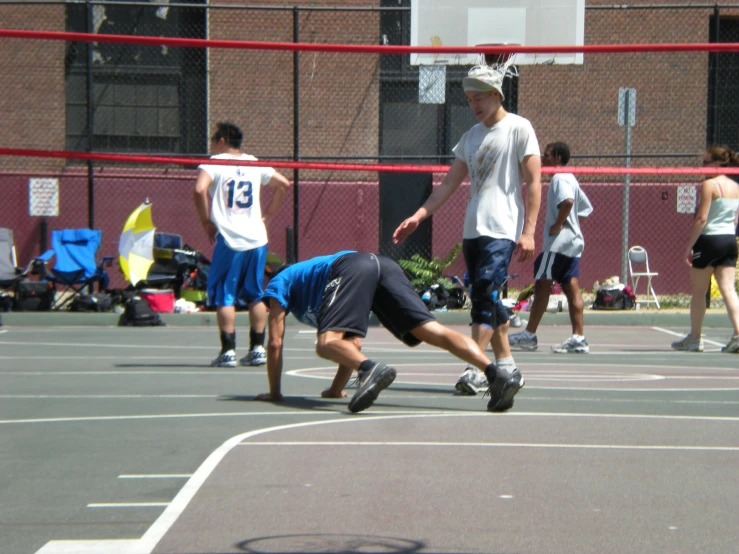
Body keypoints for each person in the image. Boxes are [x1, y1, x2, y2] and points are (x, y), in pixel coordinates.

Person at [392, 63, 542, 395]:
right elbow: (447, 185)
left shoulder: (519, 128)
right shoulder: (469, 138)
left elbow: (534, 182)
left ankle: (477, 367)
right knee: (484, 296)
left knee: (484, 294)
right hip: (473, 231)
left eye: (479, 98)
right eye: (469, 99)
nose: (474, 105)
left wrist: (529, 231)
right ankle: (507, 365)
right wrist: (419, 215)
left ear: (496, 94)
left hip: (501, 229)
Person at [254, 251, 524, 413]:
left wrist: (275, 393)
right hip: (382, 265)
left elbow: (275, 343)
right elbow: (353, 343)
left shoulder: (280, 282)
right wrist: (336, 390)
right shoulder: (313, 283)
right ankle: (494, 374)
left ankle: (370, 369)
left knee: (325, 343)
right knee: (431, 330)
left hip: (352, 265)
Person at [193, 122, 291, 367]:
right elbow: (284, 184)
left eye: (214, 139)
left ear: (222, 141)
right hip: (256, 237)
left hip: (230, 237)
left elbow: (198, 190)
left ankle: (228, 352)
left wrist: (206, 221)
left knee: (224, 295)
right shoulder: (254, 163)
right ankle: (257, 348)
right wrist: (267, 215)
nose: (212, 144)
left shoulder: (214, 162)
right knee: (255, 294)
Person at [509, 142, 593, 353]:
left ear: (557, 157)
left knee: (542, 286)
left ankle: (529, 335)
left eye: (546, 155)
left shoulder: (559, 178)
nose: (543, 159)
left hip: (557, 245)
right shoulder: (571, 177)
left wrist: (558, 225)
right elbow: (585, 208)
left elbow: (568, 202)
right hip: (572, 244)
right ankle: (578, 338)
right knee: (571, 287)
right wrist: (571, 225)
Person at [671, 145, 739, 353]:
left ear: (718, 164)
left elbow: (701, 219)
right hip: (729, 239)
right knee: (729, 289)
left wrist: (689, 247)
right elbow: (735, 219)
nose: (702, 166)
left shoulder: (709, 184)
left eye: (706, 162)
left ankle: (695, 339)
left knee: (699, 292)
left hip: (709, 239)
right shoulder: (736, 186)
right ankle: (737, 334)